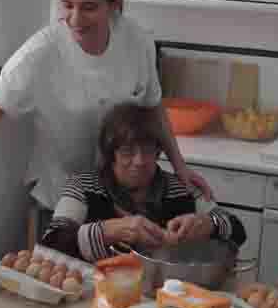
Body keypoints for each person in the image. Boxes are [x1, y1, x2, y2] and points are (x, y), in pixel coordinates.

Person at [0, 0, 211, 221]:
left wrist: (180, 167)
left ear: (114, 3)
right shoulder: (40, 54)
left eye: (89, 7)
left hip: (125, 200)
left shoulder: (137, 42)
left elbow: (153, 109)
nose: (75, 19)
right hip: (61, 200)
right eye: (67, 5)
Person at [42, 104, 245, 261]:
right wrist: (109, 231)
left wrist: (210, 224)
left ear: (158, 152)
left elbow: (238, 231)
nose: (139, 161)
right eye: (127, 152)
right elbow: (52, 243)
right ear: (111, 154)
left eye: (147, 150)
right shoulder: (83, 186)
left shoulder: (183, 190)